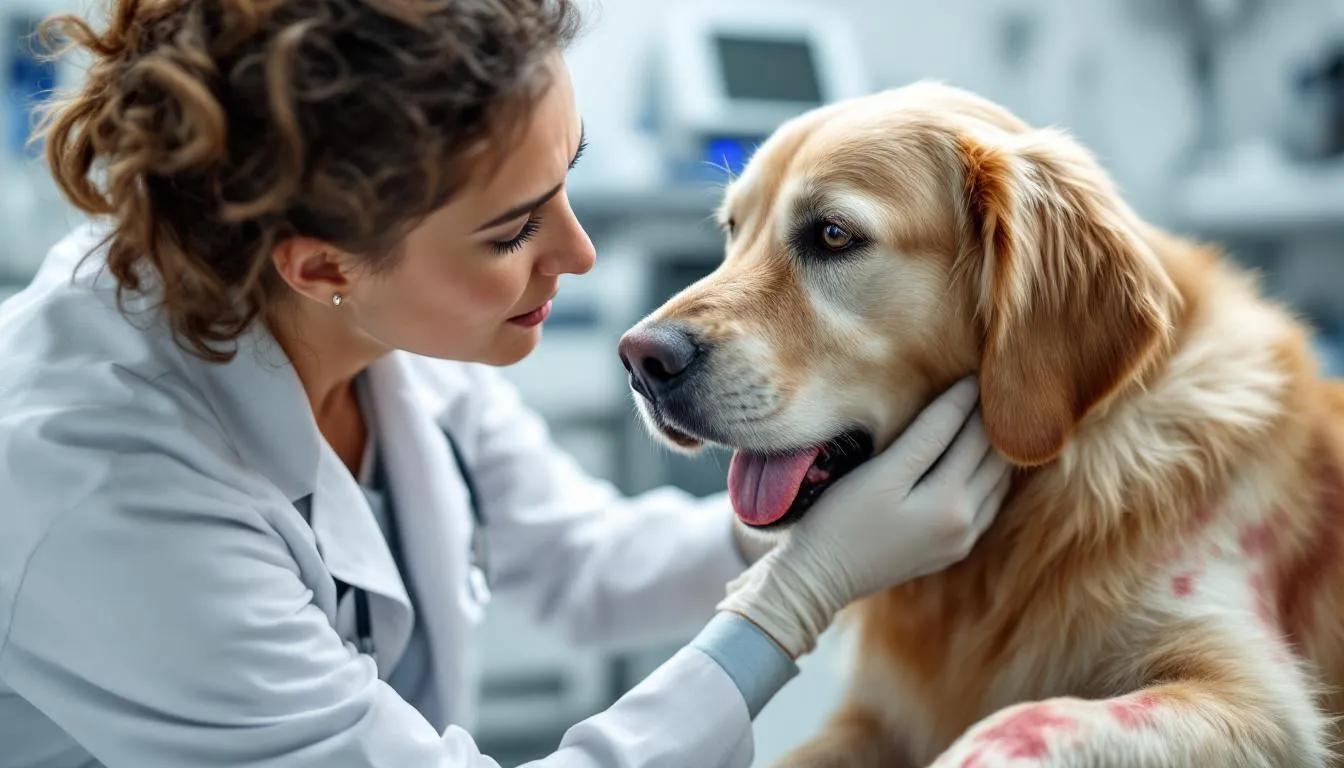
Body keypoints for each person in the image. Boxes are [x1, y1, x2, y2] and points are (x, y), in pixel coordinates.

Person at [0, 1, 1012, 766]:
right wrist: (796, 599)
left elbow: (577, 560)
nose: (576, 254)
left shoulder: (365, 328)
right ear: (321, 267)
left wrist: (783, 529)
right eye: (512, 228)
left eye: (564, 177)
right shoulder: (104, 483)